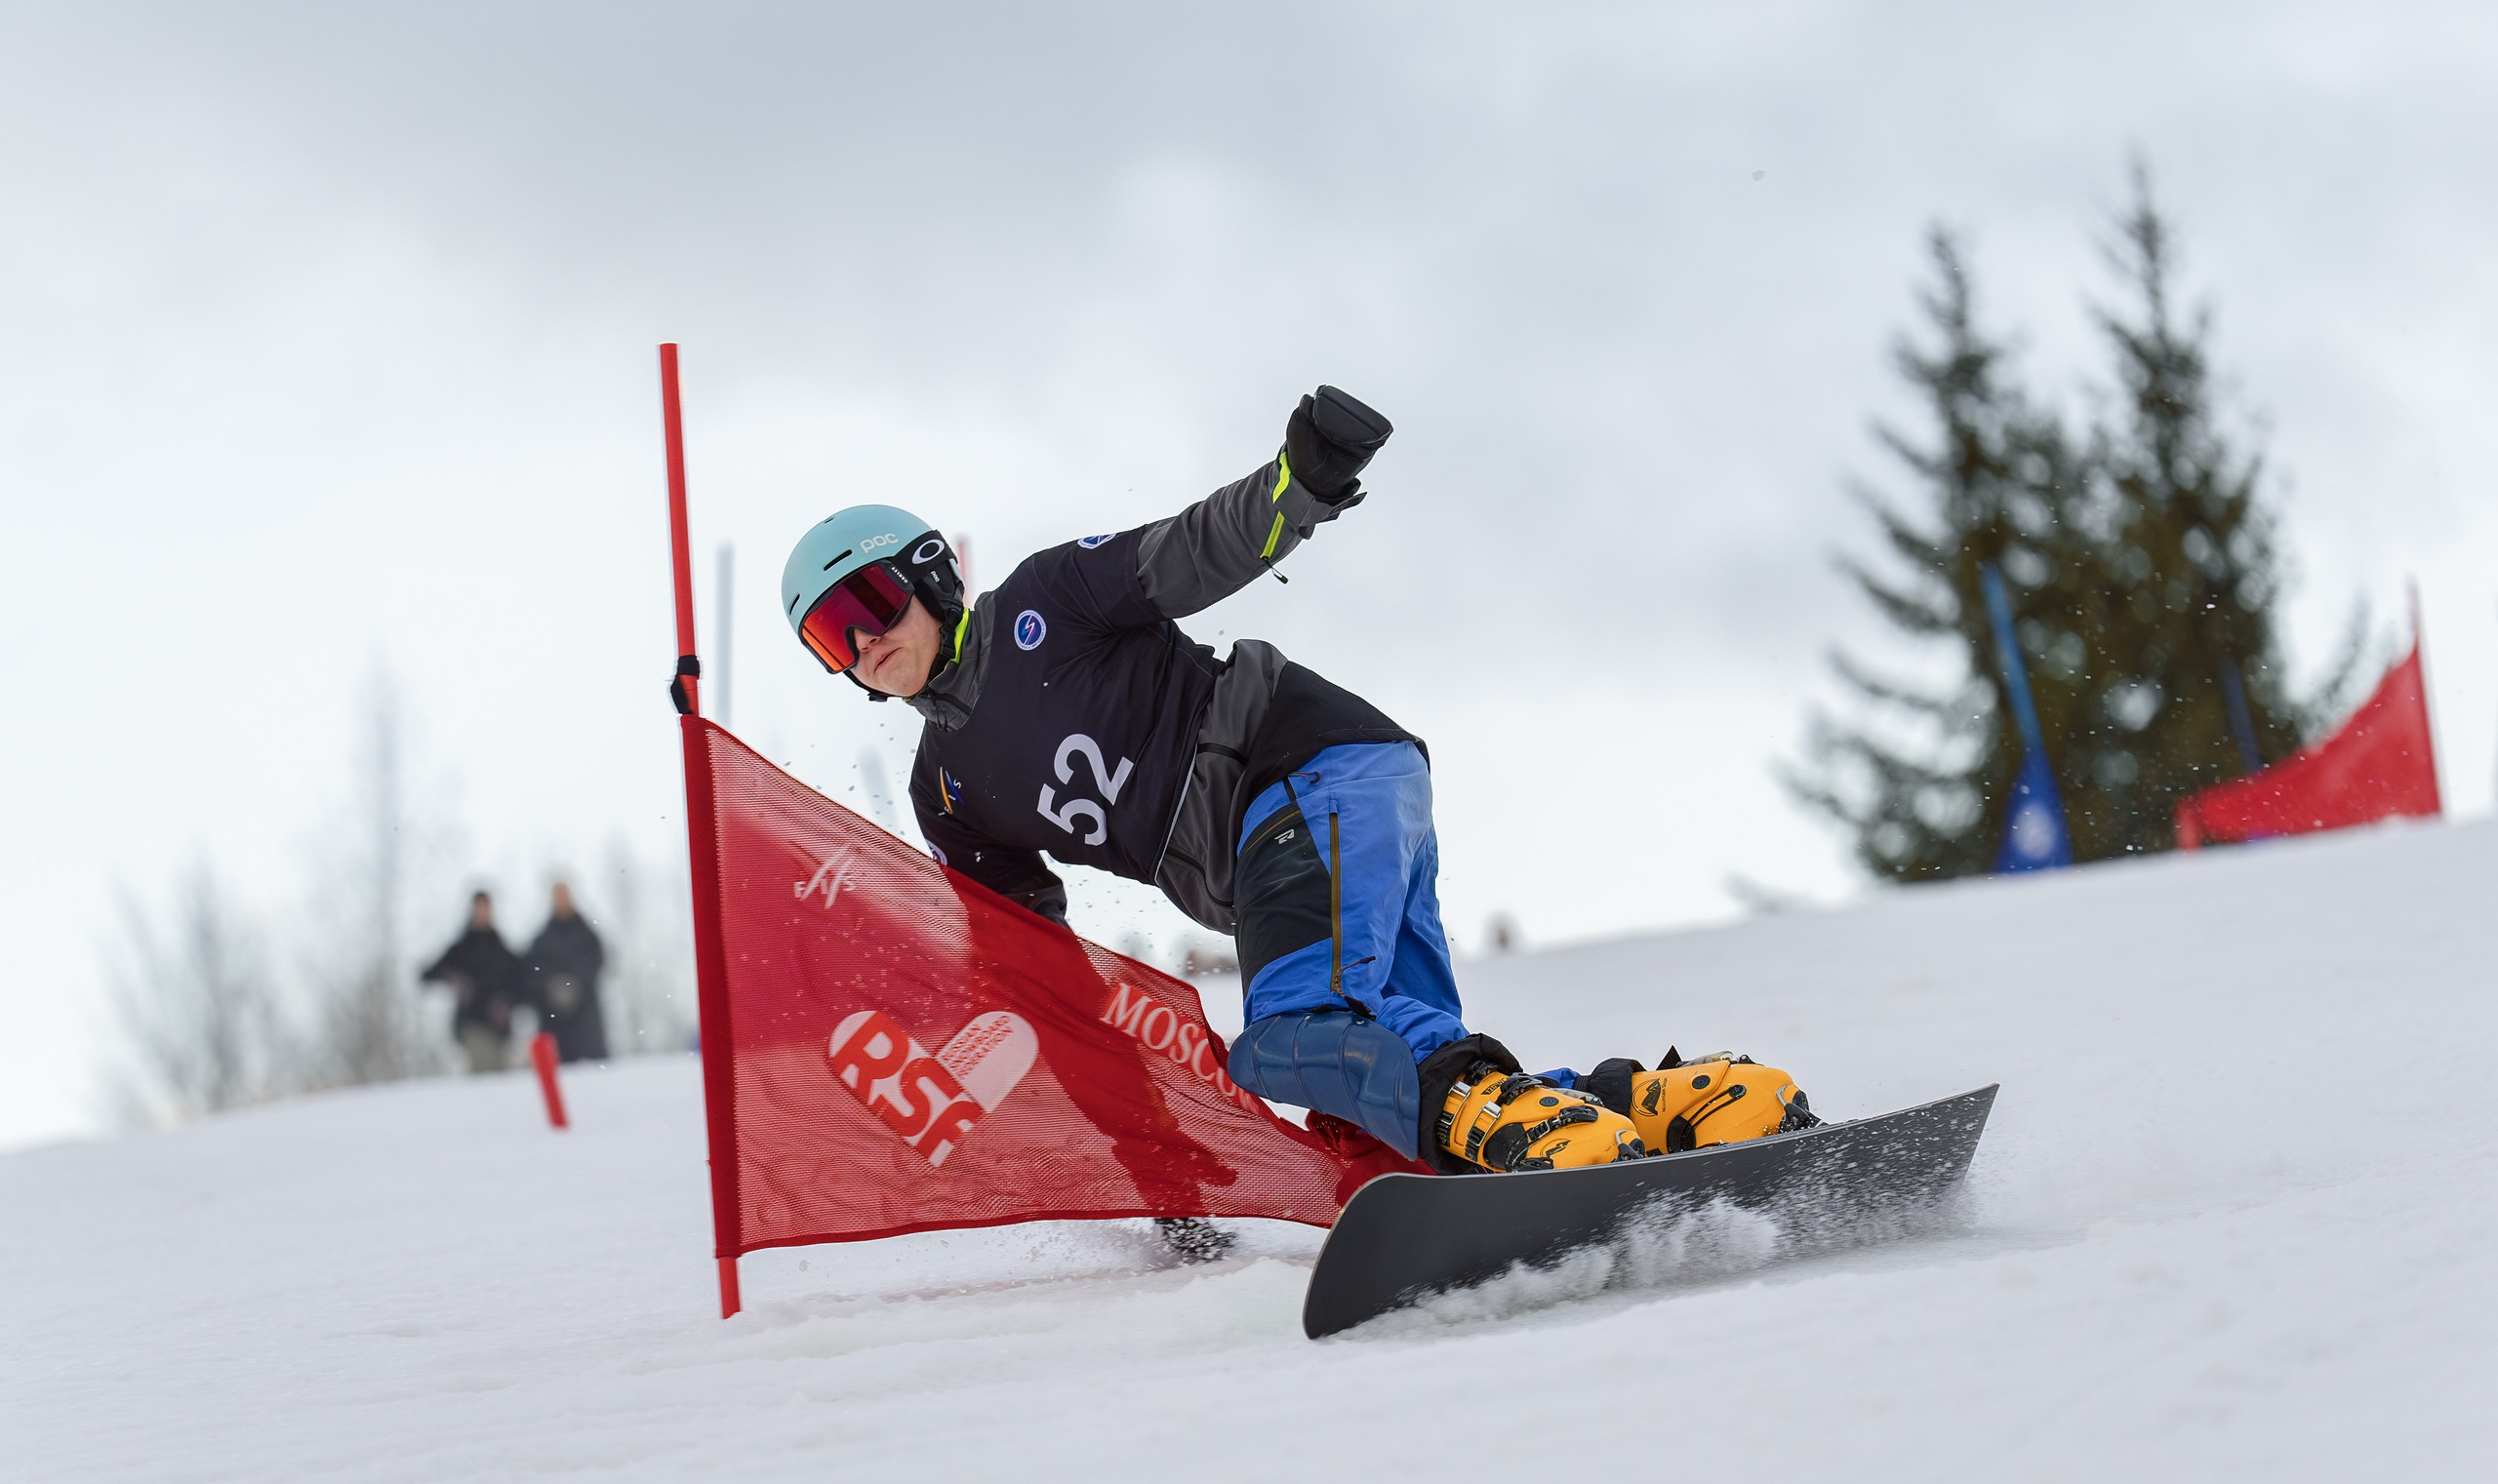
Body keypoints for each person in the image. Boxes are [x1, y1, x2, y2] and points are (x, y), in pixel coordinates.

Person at [772, 385, 1817, 1190]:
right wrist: (1151, 1154)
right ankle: (1683, 1108)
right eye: (829, 635)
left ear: (931, 574)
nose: (862, 643)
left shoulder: (1046, 601)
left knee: (1292, 1031)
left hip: (1299, 773)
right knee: (1389, 1104)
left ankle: (1547, 1135)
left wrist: (1300, 483)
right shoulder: (945, 792)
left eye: (869, 602)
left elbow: (1187, 554)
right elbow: (1049, 982)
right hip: (1334, 809)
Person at [421, 891, 528, 1073]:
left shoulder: (502, 950)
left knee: (503, 1081)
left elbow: (525, 984)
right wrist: (452, 978)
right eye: (478, 908)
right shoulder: (461, 949)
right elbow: (427, 975)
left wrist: (508, 1002)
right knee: (483, 1079)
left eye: (486, 908)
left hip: (501, 1031)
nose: (482, 912)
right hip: (472, 1026)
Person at [525, 882, 611, 1063]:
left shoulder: (587, 936)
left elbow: (597, 963)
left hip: (586, 1022)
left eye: (564, 896)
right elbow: (531, 973)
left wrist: (573, 984)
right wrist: (553, 987)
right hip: (555, 1025)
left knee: (595, 1074)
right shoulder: (542, 940)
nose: (561, 901)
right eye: (558, 897)